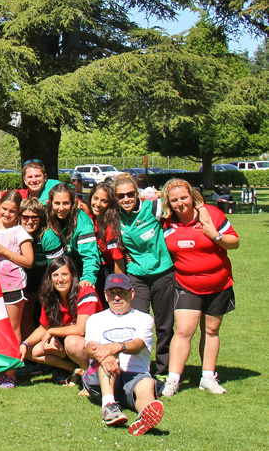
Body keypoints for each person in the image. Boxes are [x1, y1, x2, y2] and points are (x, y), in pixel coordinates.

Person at [160, 179, 239, 397]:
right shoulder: (165, 222)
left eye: (184, 198)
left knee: (211, 330)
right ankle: (173, 380)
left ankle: (207, 377)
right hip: (187, 285)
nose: (180, 203)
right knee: (184, 330)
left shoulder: (210, 214)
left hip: (219, 284)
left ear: (192, 196)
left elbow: (235, 242)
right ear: (169, 203)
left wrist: (216, 235)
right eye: (174, 200)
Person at [115, 172, 185, 377]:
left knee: (165, 325)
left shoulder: (153, 207)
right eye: (121, 196)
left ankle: (164, 370)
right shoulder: (114, 217)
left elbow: (180, 203)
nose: (126, 199)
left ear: (137, 195)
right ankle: (138, 369)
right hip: (136, 276)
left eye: (130, 194)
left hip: (163, 272)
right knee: (138, 323)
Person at [85, 273, 165, 436]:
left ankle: (145, 416)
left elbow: (138, 345)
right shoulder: (95, 319)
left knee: (147, 383)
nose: (117, 297)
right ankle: (108, 406)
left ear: (132, 294)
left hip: (135, 376)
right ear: (106, 295)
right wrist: (105, 354)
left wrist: (116, 346)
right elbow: (90, 346)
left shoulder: (144, 319)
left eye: (121, 292)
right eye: (112, 292)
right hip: (102, 378)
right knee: (108, 358)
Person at [0, 190, 34, 389]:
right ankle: (0, 370)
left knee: (12, 331)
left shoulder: (20, 232)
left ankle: (11, 374)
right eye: (4, 209)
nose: (7, 214)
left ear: (18, 213)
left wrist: (5, 251)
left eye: (12, 211)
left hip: (13, 286)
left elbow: (28, 261)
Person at [21, 257, 101, 385]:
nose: (60, 280)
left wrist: (53, 331)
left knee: (71, 342)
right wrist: (24, 344)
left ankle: (91, 377)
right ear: (50, 278)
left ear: (72, 276)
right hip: (72, 344)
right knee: (31, 351)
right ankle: (75, 369)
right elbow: (44, 328)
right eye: (55, 275)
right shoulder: (50, 296)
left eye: (64, 274)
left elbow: (80, 330)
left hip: (94, 343)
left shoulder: (86, 292)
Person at [41, 183, 101, 288]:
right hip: (57, 269)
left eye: (65, 203)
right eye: (57, 203)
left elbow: (90, 256)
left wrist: (88, 278)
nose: (61, 208)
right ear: (50, 203)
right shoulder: (46, 216)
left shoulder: (83, 223)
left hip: (81, 268)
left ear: (73, 204)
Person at [87, 182, 125, 304]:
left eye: (104, 201)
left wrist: (117, 288)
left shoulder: (110, 227)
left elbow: (118, 260)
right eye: (96, 198)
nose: (98, 204)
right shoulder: (91, 219)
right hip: (99, 270)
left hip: (111, 271)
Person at [19, 197, 49, 339]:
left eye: (34, 217)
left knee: (47, 317)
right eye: (26, 217)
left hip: (46, 278)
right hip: (27, 279)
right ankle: (30, 353)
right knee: (25, 318)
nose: (30, 221)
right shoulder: (16, 231)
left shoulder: (47, 235)